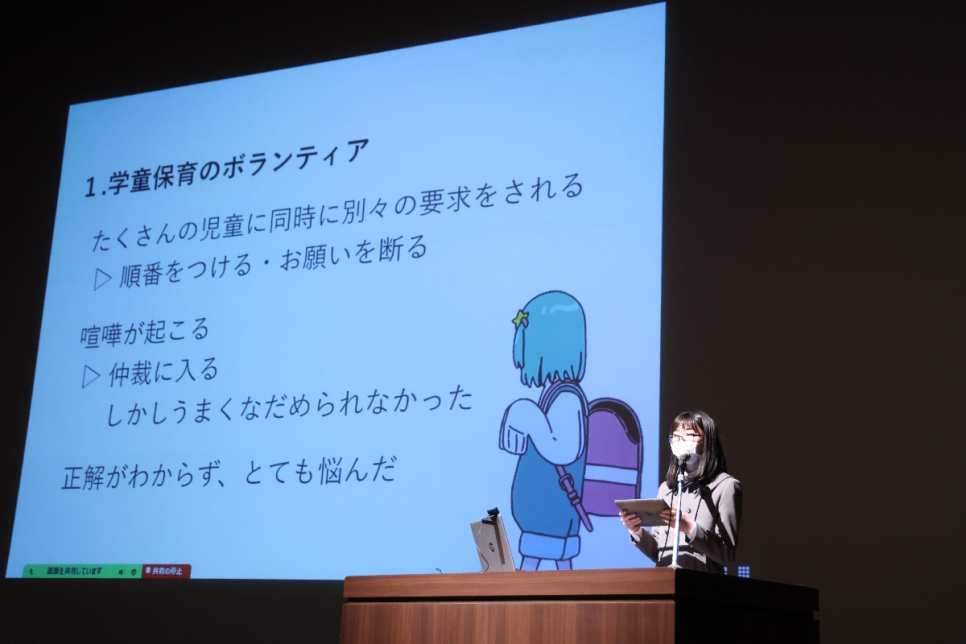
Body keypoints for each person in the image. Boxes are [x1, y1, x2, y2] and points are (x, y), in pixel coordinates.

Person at [619, 411, 741, 572]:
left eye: (689, 435)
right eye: (675, 436)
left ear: (707, 441)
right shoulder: (667, 488)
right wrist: (636, 530)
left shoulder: (725, 486)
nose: (680, 441)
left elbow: (726, 554)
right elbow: (659, 553)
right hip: (665, 581)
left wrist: (690, 528)